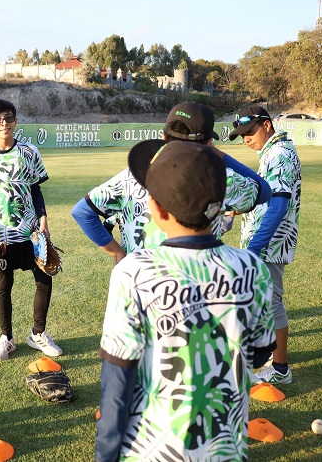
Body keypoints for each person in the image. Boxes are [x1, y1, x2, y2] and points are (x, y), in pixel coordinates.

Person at [95, 140, 276, 462]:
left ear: (158, 209)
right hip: (226, 447)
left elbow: (117, 380)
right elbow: (261, 351)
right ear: (221, 207)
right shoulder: (252, 267)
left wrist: (106, 454)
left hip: (152, 449)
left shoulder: (133, 272)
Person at [72, 102, 270, 265]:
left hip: (140, 282)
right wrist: (219, 154)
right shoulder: (222, 177)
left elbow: (82, 211)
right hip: (198, 285)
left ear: (163, 136)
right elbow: (264, 190)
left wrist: (117, 253)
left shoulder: (131, 176)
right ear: (208, 143)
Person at [0, 99, 62, 361]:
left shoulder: (29, 152)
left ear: (15, 121)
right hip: (1, 236)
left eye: (8, 118)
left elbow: (36, 189)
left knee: (44, 279)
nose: (4, 124)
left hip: (30, 232)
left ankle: (38, 333)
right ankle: (6, 338)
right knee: (3, 286)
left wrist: (43, 217)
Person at [229, 104, 302, 385]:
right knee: (261, 300)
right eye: (242, 135)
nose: (246, 138)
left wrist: (255, 249)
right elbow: (264, 192)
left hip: (269, 243)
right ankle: (266, 354)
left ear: (266, 125)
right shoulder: (271, 152)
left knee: (272, 303)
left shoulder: (280, 154)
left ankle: (281, 368)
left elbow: (279, 205)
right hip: (265, 241)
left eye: (249, 131)